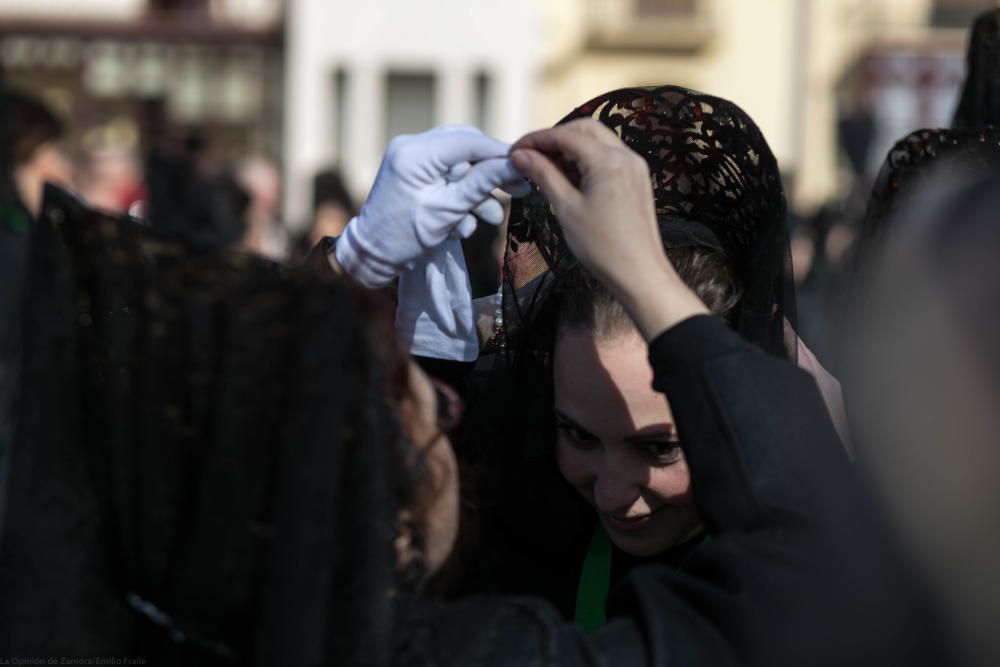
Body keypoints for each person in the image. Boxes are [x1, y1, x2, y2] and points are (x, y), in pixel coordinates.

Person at [373, 87, 849, 621]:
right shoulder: (514, 535)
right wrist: (352, 272)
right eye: (578, 434)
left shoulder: (799, 601)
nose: (613, 493)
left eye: (659, 448)